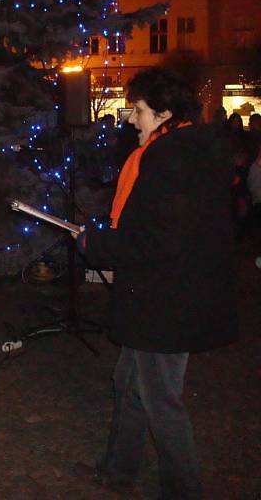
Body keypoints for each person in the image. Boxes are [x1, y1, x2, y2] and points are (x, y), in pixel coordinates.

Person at [74, 67, 238, 499]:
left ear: (165, 114)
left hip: (165, 301)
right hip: (165, 295)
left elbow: (155, 240)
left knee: (160, 400)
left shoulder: (171, 160)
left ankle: (184, 490)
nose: (131, 119)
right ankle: (118, 471)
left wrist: (98, 245)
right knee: (128, 384)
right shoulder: (186, 152)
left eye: (139, 110)